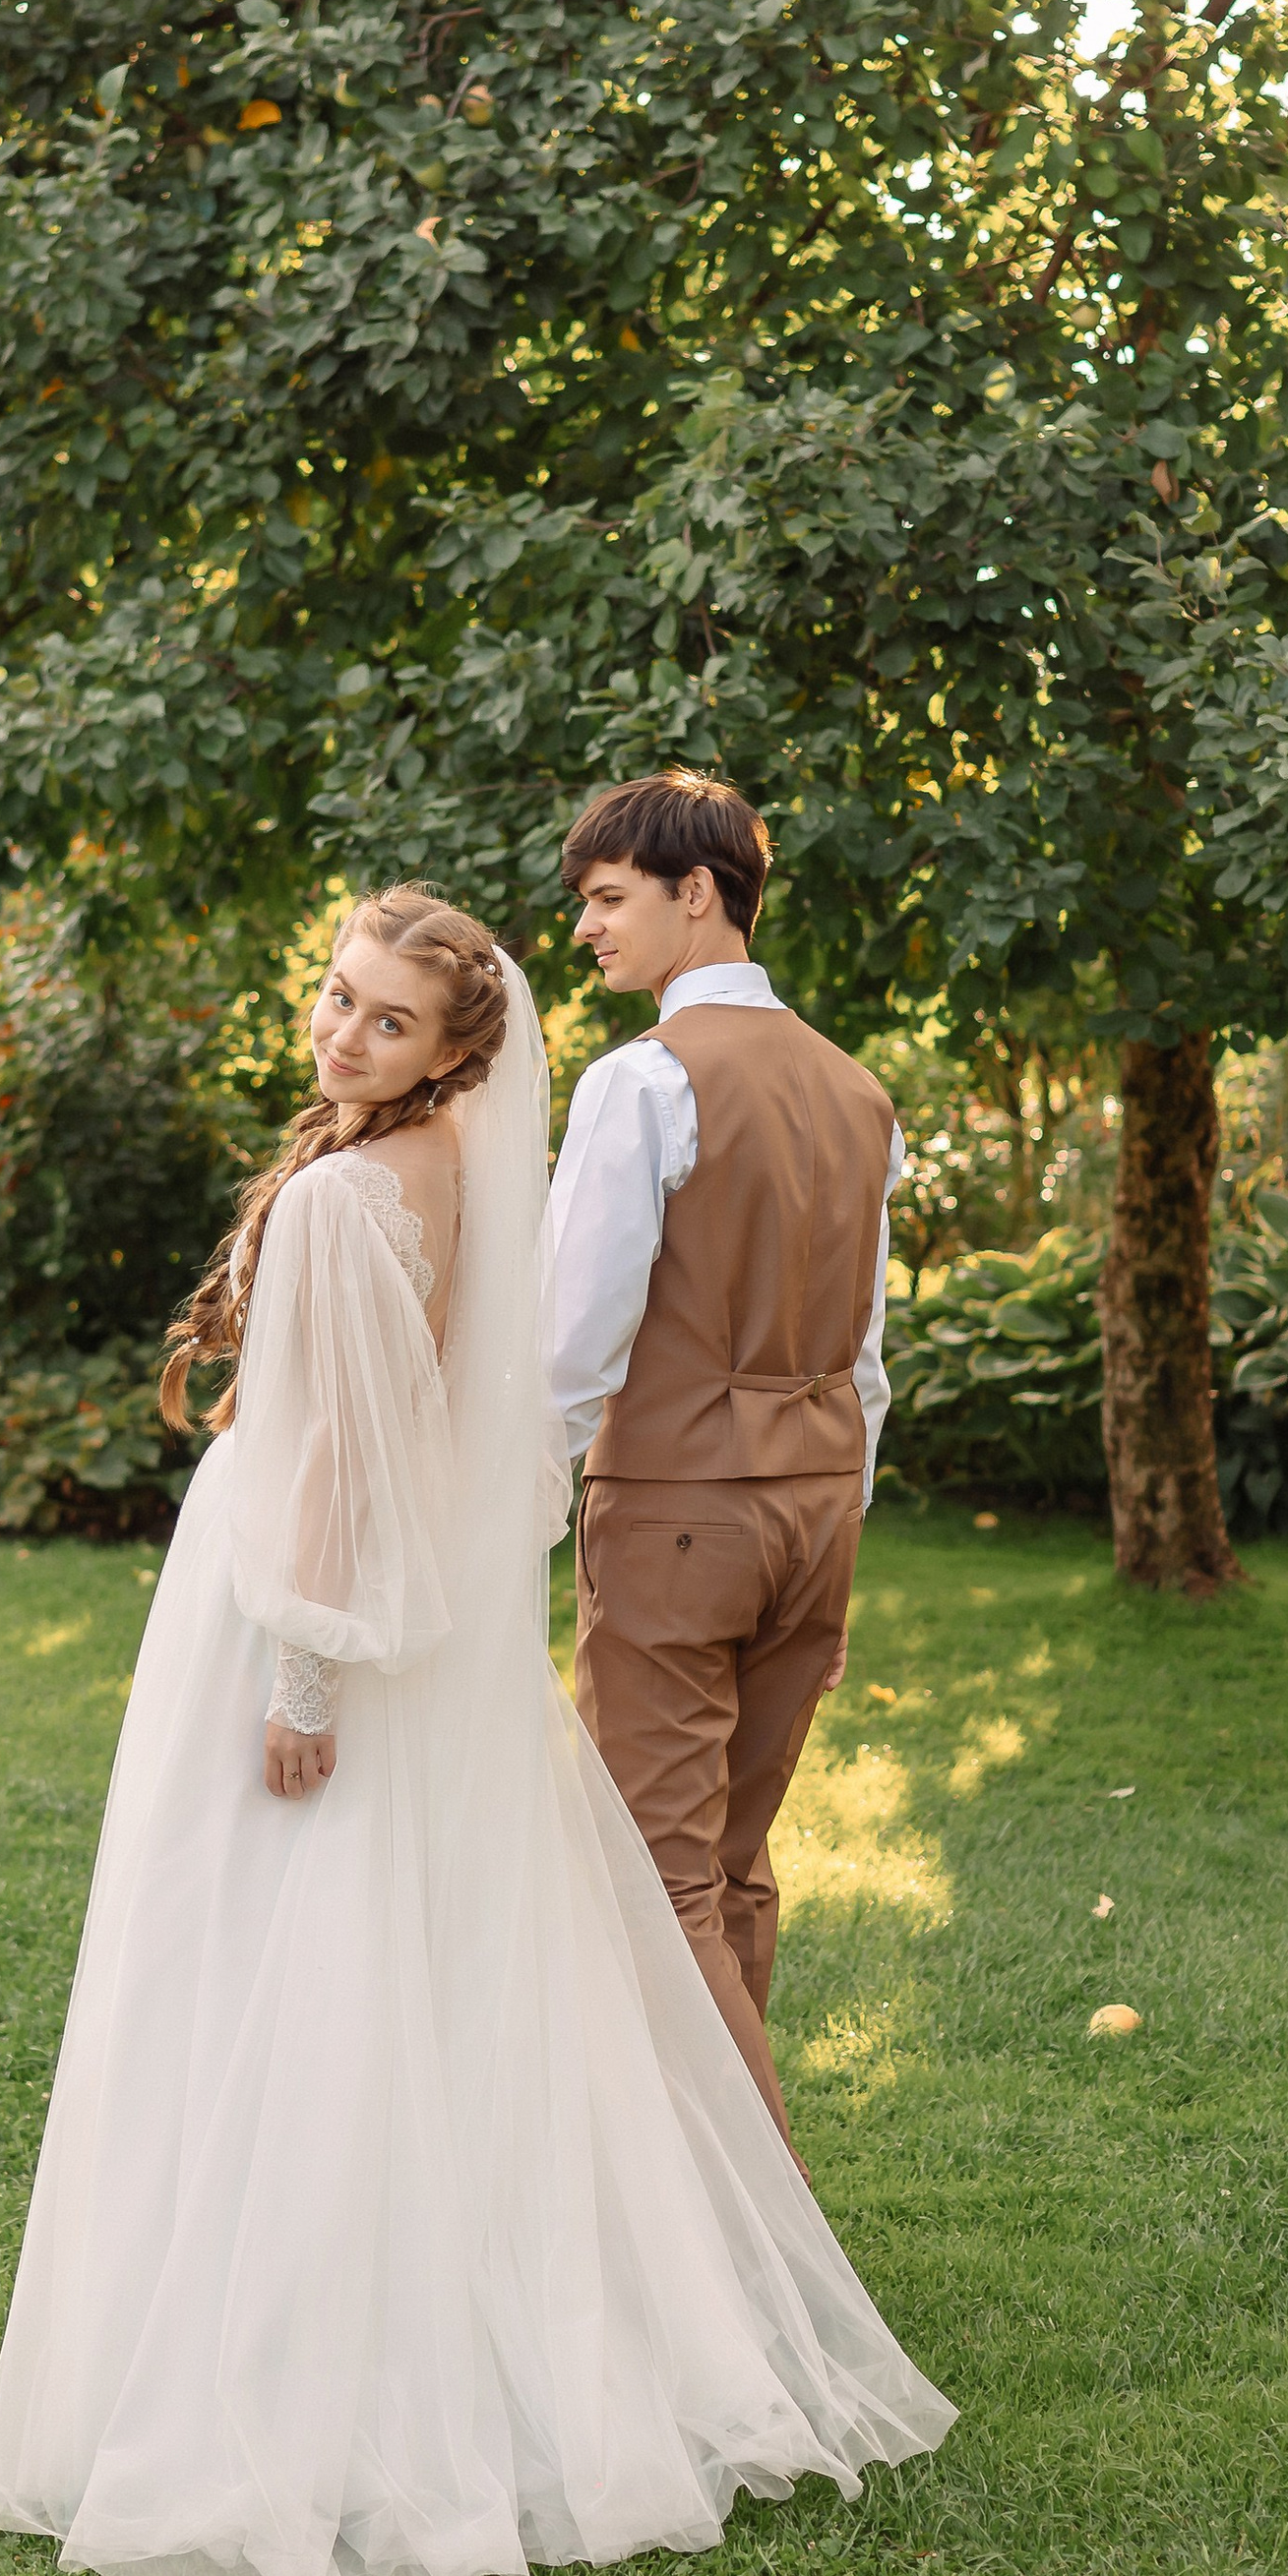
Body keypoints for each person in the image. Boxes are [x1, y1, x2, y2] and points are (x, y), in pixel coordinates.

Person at [0, 883, 951, 2576]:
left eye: (390, 1021)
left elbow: (342, 1459)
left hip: (311, 1607)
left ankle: (306, 2368)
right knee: (428, 1956)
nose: (346, 1035)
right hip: (421, 1615)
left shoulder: (347, 1195)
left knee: (286, 1950)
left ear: (452, 1052)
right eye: (339, 997)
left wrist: (304, 1680)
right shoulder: (462, 1178)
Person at [550, 772, 902, 2161]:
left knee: (654, 1873)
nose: (586, 927)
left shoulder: (641, 1082)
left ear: (697, 892)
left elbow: (575, 1342)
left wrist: (516, 1504)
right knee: (730, 1860)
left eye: (608, 897)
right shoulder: (860, 1091)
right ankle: (697, 2195)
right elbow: (866, 1349)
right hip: (817, 1512)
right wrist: (836, 1503)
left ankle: (760, 2223)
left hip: (680, 1515)